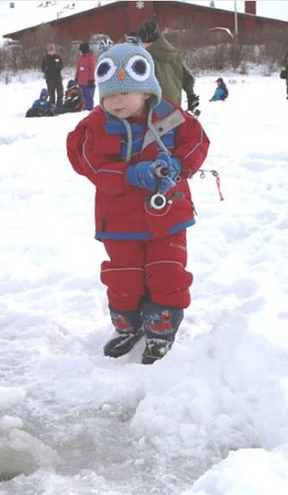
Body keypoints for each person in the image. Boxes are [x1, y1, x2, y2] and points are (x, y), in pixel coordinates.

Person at [66, 43, 210, 364]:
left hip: (167, 214)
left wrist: (177, 166)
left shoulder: (170, 116)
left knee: (167, 272)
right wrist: (131, 174)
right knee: (123, 276)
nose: (116, 102)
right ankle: (128, 326)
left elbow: (197, 140)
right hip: (119, 220)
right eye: (108, 95)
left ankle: (161, 330)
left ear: (146, 92)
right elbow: (91, 165)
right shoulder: (95, 127)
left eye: (124, 94)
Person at [138, 21, 199, 115]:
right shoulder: (173, 53)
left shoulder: (146, 56)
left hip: (154, 109)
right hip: (174, 106)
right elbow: (188, 78)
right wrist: (191, 95)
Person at [75, 42, 96, 110]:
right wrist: (76, 77)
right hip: (81, 81)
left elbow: (92, 69)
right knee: (81, 96)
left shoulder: (90, 58)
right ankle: (83, 107)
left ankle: (89, 108)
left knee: (89, 96)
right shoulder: (81, 59)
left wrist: (91, 79)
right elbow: (78, 69)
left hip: (88, 82)